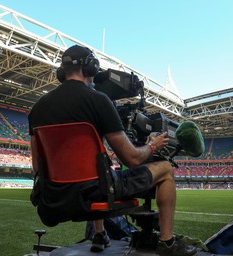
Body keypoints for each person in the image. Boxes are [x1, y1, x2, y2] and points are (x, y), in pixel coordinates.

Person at [28, 45, 197, 256]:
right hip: (96, 192)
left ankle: (99, 234)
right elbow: (133, 159)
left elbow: (37, 166)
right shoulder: (99, 100)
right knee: (165, 169)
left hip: (53, 197)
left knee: (98, 167)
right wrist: (153, 145)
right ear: (90, 68)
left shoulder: (37, 108)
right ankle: (167, 243)